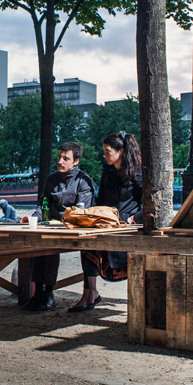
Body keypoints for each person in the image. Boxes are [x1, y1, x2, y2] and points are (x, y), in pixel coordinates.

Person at [71, 131, 142, 313]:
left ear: (122, 151)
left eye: (107, 151)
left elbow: (148, 202)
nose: (104, 155)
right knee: (86, 243)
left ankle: (133, 300)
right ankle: (90, 293)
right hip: (107, 223)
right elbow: (101, 199)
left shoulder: (138, 172)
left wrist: (135, 218)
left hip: (129, 226)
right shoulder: (107, 171)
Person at [23, 142, 95, 311]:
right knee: (36, 244)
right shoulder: (51, 179)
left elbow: (81, 212)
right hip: (50, 227)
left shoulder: (84, 181)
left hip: (73, 230)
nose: (60, 161)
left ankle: (48, 292)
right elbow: (42, 206)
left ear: (76, 161)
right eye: (59, 157)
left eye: (66, 158)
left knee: (50, 246)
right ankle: (38, 292)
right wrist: (32, 218)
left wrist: (62, 221)